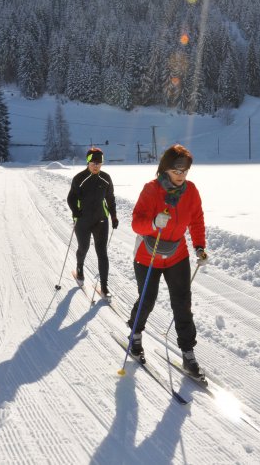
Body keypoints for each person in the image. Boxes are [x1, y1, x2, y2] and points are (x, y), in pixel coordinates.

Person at [127, 144, 209, 379]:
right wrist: (153, 222)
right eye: (177, 171)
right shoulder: (151, 190)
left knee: (182, 303)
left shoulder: (191, 191)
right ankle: (135, 334)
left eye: (185, 171)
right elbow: (136, 223)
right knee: (147, 299)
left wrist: (199, 247)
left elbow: (197, 220)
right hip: (147, 254)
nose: (181, 176)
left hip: (177, 255)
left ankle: (188, 352)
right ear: (165, 169)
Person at [67, 147, 118, 296]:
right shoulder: (79, 178)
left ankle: (104, 286)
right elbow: (71, 198)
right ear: (88, 161)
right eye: (93, 162)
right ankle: (80, 269)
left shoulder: (106, 178)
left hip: (101, 220)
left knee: (102, 253)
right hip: (83, 220)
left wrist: (113, 216)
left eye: (99, 162)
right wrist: (75, 211)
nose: (96, 165)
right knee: (83, 247)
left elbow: (110, 199)